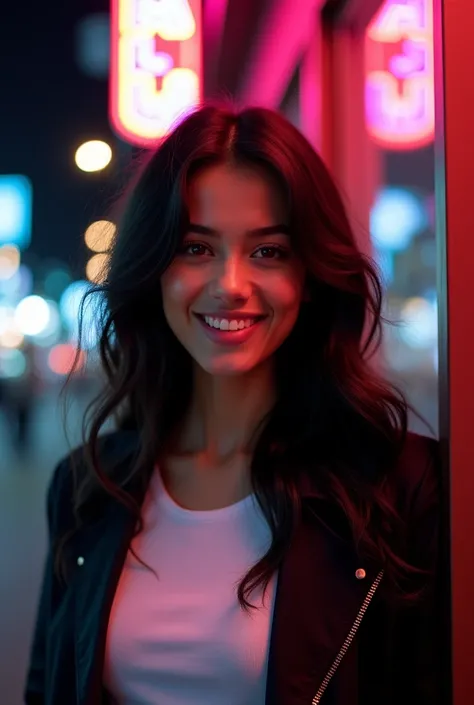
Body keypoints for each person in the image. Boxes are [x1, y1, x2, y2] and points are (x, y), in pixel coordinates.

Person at [24, 105, 443, 705]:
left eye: (268, 251)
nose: (230, 284)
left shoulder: (399, 490)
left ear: (311, 274)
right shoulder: (89, 487)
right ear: (154, 267)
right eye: (196, 248)